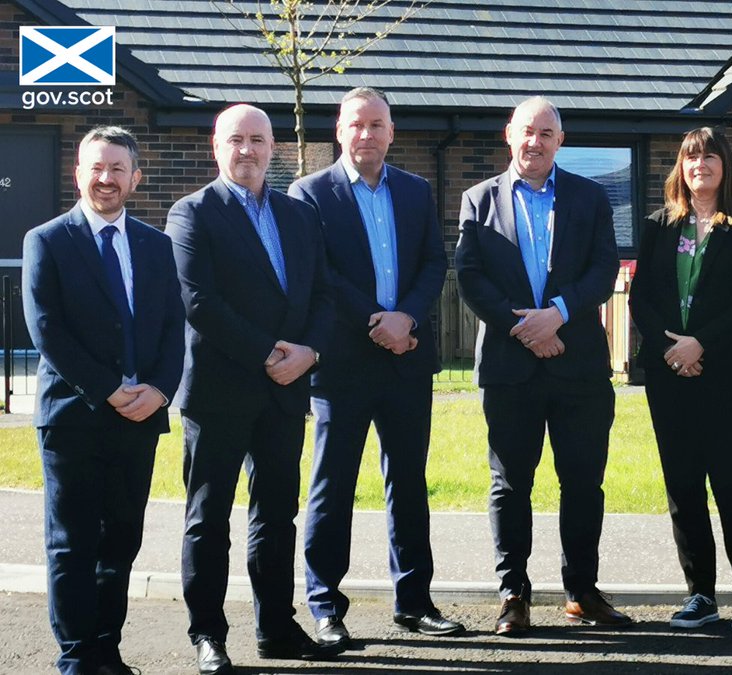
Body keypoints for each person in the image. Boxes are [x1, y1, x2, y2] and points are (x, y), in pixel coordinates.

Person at [166, 104, 337, 675]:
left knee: (276, 515)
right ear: (217, 147)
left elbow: (323, 294)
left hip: (285, 391)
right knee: (208, 517)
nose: (247, 150)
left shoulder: (299, 214)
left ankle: (277, 627)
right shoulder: (190, 213)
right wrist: (270, 354)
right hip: (220, 392)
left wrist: (309, 352)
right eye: (235, 140)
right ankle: (208, 635)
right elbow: (199, 303)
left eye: (258, 140)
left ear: (274, 148)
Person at [289, 87, 461, 648]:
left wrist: (406, 318)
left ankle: (413, 601)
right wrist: (376, 320)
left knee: (409, 484)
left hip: (407, 361)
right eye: (356, 124)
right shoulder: (310, 193)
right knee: (331, 487)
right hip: (341, 365)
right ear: (339, 131)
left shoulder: (415, 190)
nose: (366, 134)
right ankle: (324, 605)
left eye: (377, 124)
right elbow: (320, 274)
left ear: (392, 131)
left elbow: (435, 260)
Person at [455, 96, 628, 635]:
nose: (535, 141)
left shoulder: (590, 197)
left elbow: (603, 269)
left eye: (546, 133)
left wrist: (558, 315)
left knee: (582, 484)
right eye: (527, 131)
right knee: (510, 485)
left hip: (579, 369)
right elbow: (471, 277)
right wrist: (525, 328)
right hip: (510, 369)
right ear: (510, 134)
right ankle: (513, 593)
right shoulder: (478, 200)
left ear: (561, 141)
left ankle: (582, 591)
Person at [23, 126, 185, 675]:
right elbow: (48, 331)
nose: (106, 178)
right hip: (72, 419)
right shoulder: (46, 240)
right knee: (72, 545)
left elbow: (172, 327)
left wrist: (160, 391)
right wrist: (109, 389)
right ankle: (76, 657)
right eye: (96, 167)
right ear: (78, 173)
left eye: (118, 169)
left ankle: (106, 649)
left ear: (135, 178)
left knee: (121, 541)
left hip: (139, 418)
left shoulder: (155, 245)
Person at [629, 127, 732, 631]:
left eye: (710, 157)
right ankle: (700, 595)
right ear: (681, 167)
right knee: (683, 484)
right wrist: (673, 348)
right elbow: (639, 298)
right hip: (668, 372)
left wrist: (701, 344)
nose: (700, 166)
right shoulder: (658, 225)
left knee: (730, 481)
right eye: (692, 158)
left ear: (725, 165)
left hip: (726, 372)